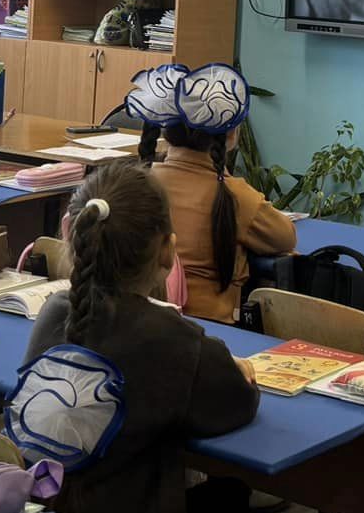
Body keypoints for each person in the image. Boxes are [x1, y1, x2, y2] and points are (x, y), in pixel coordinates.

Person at [20, 161, 259, 513]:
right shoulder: (174, 340)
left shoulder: (54, 313)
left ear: (73, 236)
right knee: (227, 498)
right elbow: (237, 404)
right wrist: (236, 371)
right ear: (168, 251)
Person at [125, 62, 295, 326]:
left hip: (140, 317)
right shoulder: (235, 195)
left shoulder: (139, 182)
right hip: (212, 326)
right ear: (231, 134)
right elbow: (286, 238)